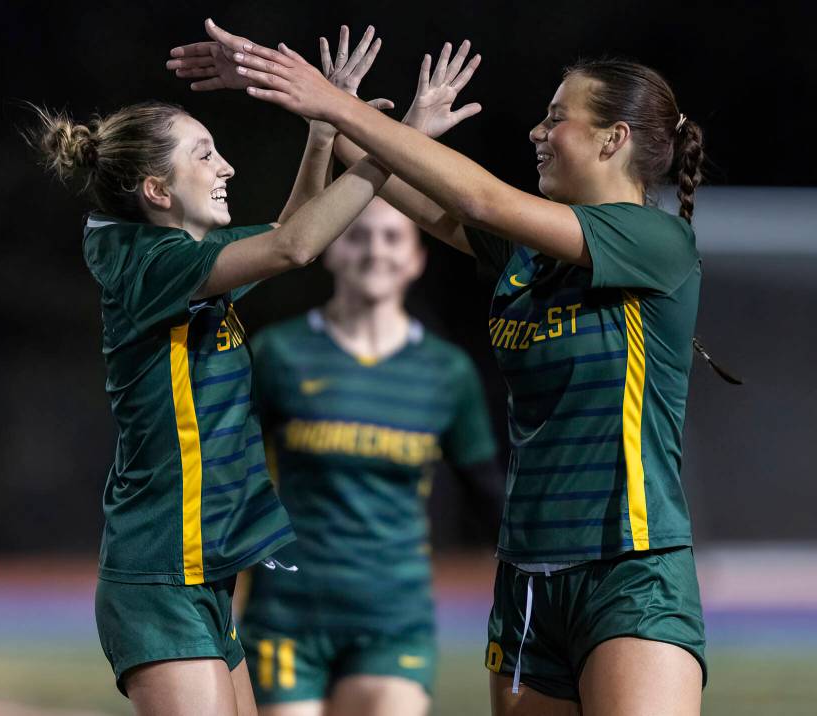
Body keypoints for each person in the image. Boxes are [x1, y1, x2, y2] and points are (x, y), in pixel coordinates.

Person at [170, 23, 709, 716]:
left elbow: (480, 198)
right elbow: (406, 186)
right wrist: (307, 103)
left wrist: (335, 107)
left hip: (630, 569)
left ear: (614, 139)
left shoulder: (655, 240)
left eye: (557, 117)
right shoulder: (527, 256)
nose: (538, 132)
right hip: (527, 579)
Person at [27, 27, 395, 716]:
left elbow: (290, 232)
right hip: (160, 574)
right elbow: (296, 246)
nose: (225, 166)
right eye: (206, 154)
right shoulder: (153, 267)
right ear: (157, 190)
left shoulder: (184, 262)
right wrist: (385, 145)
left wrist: (322, 133)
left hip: (200, 571)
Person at [240, 196, 501, 716]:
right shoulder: (278, 354)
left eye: (391, 237)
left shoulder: (446, 371)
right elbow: (231, 479)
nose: (374, 250)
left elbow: (488, 493)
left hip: (393, 615)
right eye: (358, 235)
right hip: (287, 612)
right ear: (330, 249)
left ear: (416, 258)